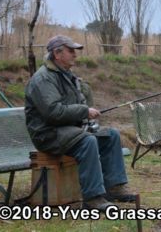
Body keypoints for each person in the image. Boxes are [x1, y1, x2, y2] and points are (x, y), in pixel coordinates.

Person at [25, 35, 135, 211]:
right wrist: (84, 111)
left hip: (68, 131)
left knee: (110, 135)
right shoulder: (43, 79)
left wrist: (87, 112)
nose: (75, 55)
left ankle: (115, 188)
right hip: (47, 134)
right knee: (87, 141)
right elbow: (53, 113)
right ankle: (93, 198)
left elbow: (76, 104)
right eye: (71, 51)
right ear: (57, 53)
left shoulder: (67, 76)